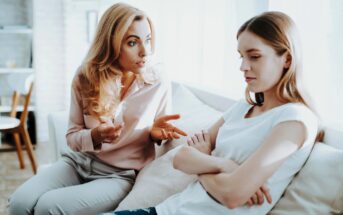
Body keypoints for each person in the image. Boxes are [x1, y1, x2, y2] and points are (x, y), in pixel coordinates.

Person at [108, 11, 322, 215]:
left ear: (287, 59)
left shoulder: (295, 120)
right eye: (241, 56)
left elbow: (232, 195)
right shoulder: (244, 106)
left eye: (254, 56)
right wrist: (223, 165)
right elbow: (180, 158)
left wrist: (204, 159)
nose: (243, 66)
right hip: (165, 210)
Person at [8, 3, 186, 215]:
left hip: (118, 175)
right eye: (132, 42)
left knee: (48, 207)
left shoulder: (157, 81)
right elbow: (72, 136)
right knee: (19, 203)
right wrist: (94, 135)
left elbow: (164, 129)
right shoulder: (86, 77)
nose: (145, 51)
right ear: (110, 43)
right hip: (78, 162)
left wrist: (156, 134)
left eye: (147, 40)